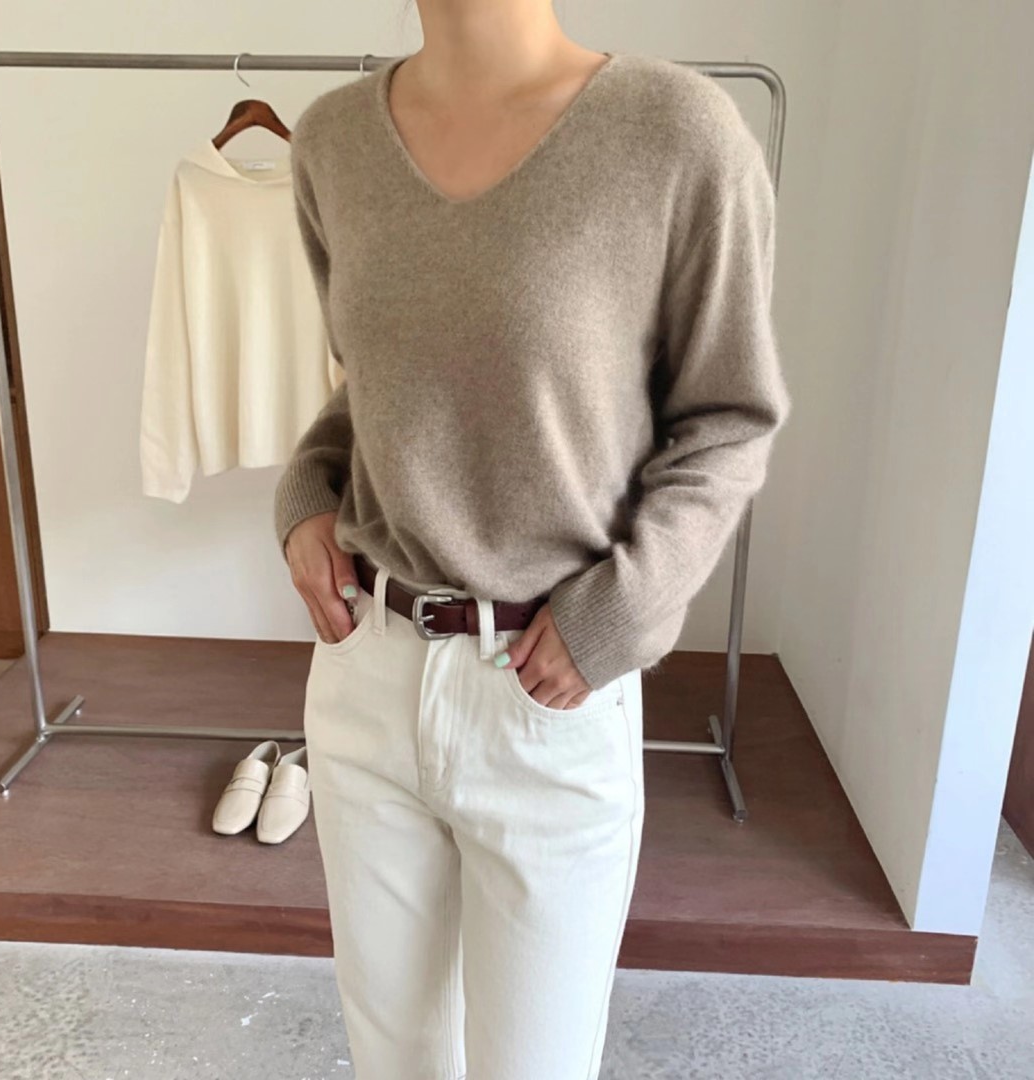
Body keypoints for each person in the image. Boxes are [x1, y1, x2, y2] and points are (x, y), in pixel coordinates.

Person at [274, 3, 792, 1078]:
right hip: (366, 673)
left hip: (547, 689)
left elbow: (729, 417)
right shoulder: (331, 141)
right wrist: (307, 488)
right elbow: (371, 385)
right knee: (394, 1058)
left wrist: (623, 611)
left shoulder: (677, 133)